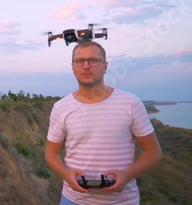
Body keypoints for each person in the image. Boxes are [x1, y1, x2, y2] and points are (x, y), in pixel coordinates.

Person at [44, 41, 162, 205]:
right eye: (79, 61)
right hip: (73, 200)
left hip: (123, 201)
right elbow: (51, 153)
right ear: (73, 67)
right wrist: (66, 174)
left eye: (93, 60)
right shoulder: (61, 108)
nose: (86, 66)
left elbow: (153, 152)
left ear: (105, 66)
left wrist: (127, 175)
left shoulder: (130, 103)